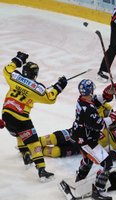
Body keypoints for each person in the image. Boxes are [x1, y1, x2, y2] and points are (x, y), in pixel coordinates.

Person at [2, 51, 67, 182]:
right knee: (33, 142)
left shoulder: (14, 76)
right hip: (21, 118)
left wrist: (18, 60)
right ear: (35, 74)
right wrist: (59, 86)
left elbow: (6, 70)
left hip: (6, 115)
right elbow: (50, 99)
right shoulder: (38, 89)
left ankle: (25, 153)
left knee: (19, 134)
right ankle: (41, 170)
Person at [69, 79, 116, 200]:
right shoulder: (87, 109)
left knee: (88, 160)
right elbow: (99, 125)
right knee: (107, 163)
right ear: (90, 91)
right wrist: (114, 116)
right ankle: (99, 192)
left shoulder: (82, 100)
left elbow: (96, 100)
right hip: (87, 141)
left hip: (82, 137)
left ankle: (79, 180)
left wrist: (107, 94)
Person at [39, 103, 116, 158]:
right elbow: (97, 101)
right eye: (109, 114)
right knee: (53, 138)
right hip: (76, 133)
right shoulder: (100, 110)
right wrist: (108, 92)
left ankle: (34, 151)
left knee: (56, 152)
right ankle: (30, 144)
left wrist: (115, 153)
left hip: (83, 146)